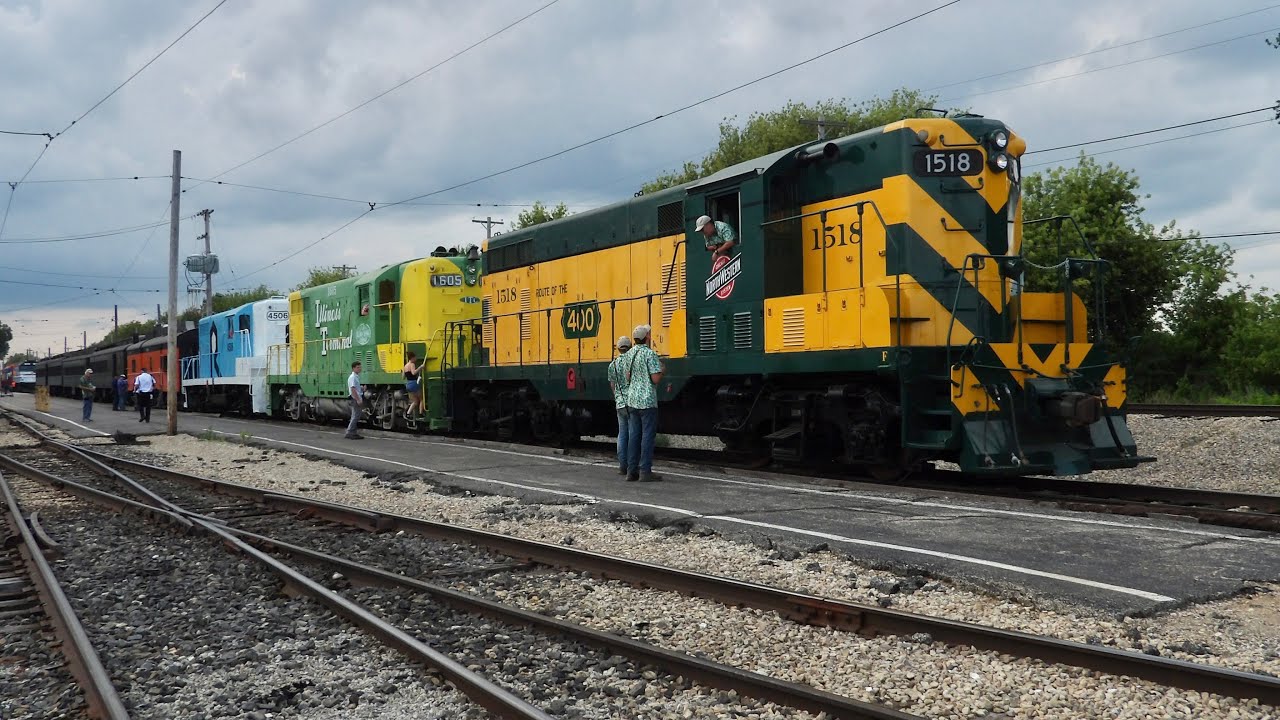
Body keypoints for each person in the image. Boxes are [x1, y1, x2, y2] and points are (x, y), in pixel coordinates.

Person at [623, 325, 663, 482]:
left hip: (632, 399)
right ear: (647, 337)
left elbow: (627, 377)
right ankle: (645, 471)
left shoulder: (629, 355)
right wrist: (662, 371)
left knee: (633, 436)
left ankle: (631, 471)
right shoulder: (650, 354)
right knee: (647, 436)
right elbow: (655, 379)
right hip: (647, 400)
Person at [606, 335, 633, 476]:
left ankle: (622, 466)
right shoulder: (632, 362)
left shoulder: (613, 365)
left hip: (620, 402)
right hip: (633, 402)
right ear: (630, 347)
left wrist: (618, 398)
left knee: (622, 434)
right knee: (633, 434)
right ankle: (632, 466)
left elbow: (613, 385)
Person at [346, 360, 364, 440]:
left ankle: (353, 432)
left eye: (360, 367)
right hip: (354, 398)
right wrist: (358, 399)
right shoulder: (353, 377)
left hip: (355, 398)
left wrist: (362, 388)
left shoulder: (355, 377)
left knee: (355, 415)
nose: (359, 369)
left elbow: (356, 388)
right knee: (356, 416)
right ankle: (350, 432)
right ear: (353, 368)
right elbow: (353, 389)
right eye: (358, 367)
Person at [403, 351, 422, 422]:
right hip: (414, 383)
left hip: (408, 384)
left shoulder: (405, 366)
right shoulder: (412, 364)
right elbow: (414, 372)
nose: (416, 358)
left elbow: (403, 377)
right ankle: (420, 414)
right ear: (412, 358)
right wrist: (420, 367)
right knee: (421, 399)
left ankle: (408, 413)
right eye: (415, 357)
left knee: (415, 401)